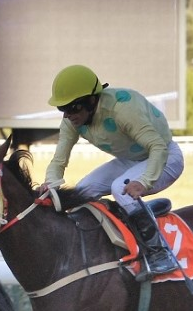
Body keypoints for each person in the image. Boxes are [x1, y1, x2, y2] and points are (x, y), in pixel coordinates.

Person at [41, 64, 183, 277]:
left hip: (166, 157)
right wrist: (50, 184)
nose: (69, 115)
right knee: (83, 191)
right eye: (63, 109)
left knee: (120, 188)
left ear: (92, 100)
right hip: (131, 160)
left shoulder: (122, 109)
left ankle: (160, 253)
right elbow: (58, 160)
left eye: (74, 108)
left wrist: (144, 181)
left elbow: (158, 147)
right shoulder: (72, 121)